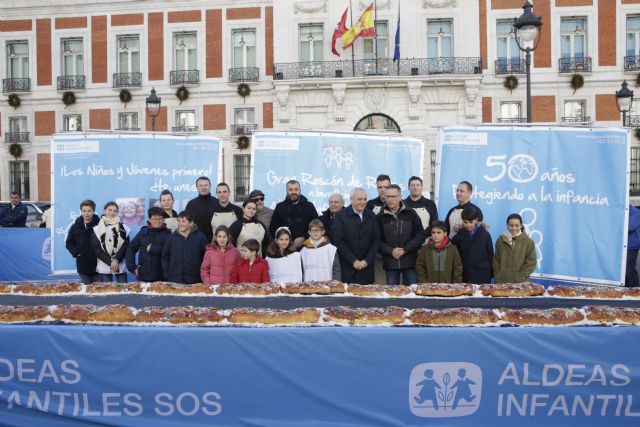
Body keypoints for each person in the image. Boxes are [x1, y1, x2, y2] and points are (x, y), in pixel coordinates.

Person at [377, 184, 426, 285]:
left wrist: (405, 249)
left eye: (393, 196)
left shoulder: (411, 213)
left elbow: (420, 235)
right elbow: (376, 240)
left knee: (412, 294)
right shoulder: (380, 217)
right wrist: (391, 251)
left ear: (400, 197)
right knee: (392, 296)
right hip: (390, 263)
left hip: (410, 261)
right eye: (387, 196)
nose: (390, 199)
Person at [333, 187, 380, 284]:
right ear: (351, 199)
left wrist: (366, 261)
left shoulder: (371, 216)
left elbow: (376, 240)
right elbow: (338, 241)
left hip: (367, 269)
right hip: (348, 269)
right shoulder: (341, 216)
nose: (363, 202)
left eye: (365, 199)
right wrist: (354, 261)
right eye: (359, 199)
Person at [269, 180, 318, 251]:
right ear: (286, 191)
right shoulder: (280, 207)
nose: (293, 192)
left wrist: (304, 237)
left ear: (300, 190)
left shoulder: (309, 206)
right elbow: (273, 229)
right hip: (285, 249)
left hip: (307, 248)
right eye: (290, 189)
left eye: (296, 189)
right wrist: (286, 241)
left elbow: (316, 226)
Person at [125, 207, 172, 282]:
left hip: (161, 277)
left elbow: (172, 252)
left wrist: (155, 249)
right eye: (154, 218)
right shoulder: (143, 232)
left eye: (160, 218)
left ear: (163, 220)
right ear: (149, 220)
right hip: (143, 276)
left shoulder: (168, 234)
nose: (157, 221)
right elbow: (131, 248)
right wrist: (132, 268)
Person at [162, 210, 208, 284]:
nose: (180, 224)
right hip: (174, 280)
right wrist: (167, 274)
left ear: (191, 223)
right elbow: (165, 256)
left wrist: (202, 276)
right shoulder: (171, 238)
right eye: (179, 221)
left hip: (195, 280)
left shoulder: (201, 237)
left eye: (183, 221)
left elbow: (207, 258)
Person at [451, 206, 494, 284]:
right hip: (464, 276)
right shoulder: (458, 236)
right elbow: (454, 258)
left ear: (476, 220)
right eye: (465, 222)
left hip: (482, 276)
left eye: (471, 222)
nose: (468, 225)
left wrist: (490, 274)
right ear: (462, 220)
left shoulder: (485, 235)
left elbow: (490, 255)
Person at [92, 201, 131, 283]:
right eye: (110, 210)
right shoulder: (97, 229)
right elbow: (97, 249)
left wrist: (116, 260)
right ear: (104, 211)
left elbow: (126, 245)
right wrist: (110, 262)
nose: (112, 212)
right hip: (104, 264)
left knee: (123, 290)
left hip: (119, 264)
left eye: (114, 211)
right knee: (107, 292)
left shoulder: (124, 228)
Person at [492, 213, 537, 284]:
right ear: (507, 226)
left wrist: (520, 277)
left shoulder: (529, 242)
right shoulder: (500, 240)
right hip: (502, 283)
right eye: (511, 225)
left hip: (521, 283)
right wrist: (498, 277)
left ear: (521, 226)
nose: (514, 228)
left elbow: (531, 263)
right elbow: (496, 260)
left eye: (517, 226)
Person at [65, 199, 100, 285]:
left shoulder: (100, 225)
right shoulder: (75, 226)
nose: (86, 213)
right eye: (84, 211)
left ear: (94, 211)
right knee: (86, 291)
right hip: (83, 264)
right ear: (81, 211)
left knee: (98, 291)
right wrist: (76, 253)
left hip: (98, 265)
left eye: (89, 211)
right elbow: (69, 243)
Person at [184, 176, 219, 243]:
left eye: (206, 185)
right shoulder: (191, 204)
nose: (203, 187)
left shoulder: (217, 203)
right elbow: (186, 223)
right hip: (196, 242)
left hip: (215, 242)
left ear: (210, 186)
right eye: (200, 185)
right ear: (196, 187)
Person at [627, 204, 640, 287]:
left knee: (629, 269)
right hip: (622, 246)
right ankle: (625, 289)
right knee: (623, 270)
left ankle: (635, 289)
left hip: (631, 246)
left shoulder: (636, 212)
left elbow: (630, 227)